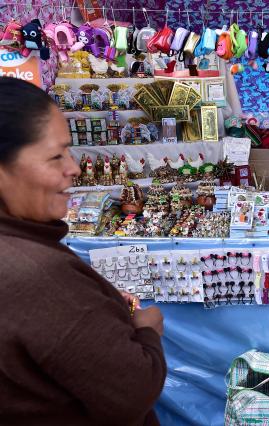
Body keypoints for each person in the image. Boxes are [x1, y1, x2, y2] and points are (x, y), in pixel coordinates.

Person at [0, 77, 167, 425]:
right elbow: (133, 389)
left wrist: (98, 305)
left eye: (70, 151)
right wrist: (147, 330)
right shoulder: (37, 276)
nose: (73, 168)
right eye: (55, 155)